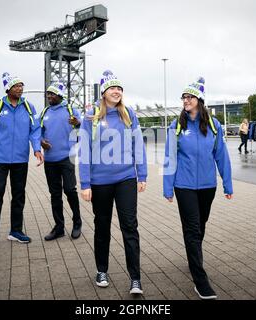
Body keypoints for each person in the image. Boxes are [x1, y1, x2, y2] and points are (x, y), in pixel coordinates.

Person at [163, 77, 233, 299]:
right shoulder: (177, 126)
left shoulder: (213, 125)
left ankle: (193, 256)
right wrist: (168, 187)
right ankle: (200, 280)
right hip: (184, 186)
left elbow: (221, 155)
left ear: (199, 101)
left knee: (200, 227)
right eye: (184, 97)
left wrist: (227, 183)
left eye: (190, 97)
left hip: (207, 186)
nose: (186, 100)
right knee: (192, 229)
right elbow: (169, 157)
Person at [78, 70, 147, 295]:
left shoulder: (129, 114)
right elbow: (84, 151)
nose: (116, 91)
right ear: (104, 93)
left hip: (126, 178)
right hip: (100, 182)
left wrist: (142, 174)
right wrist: (85, 183)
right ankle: (102, 270)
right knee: (102, 226)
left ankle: (135, 278)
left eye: (119, 88)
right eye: (112, 88)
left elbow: (139, 146)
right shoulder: (91, 116)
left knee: (130, 227)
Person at [0, 72, 44, 250]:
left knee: (18, 196)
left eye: (22, 85)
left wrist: (37, 148)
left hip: (20, 160)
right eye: (16, 86)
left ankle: (15, 231)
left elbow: (35, 129)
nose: (20, 89)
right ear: (8, 89)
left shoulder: (29, 107)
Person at [41, 81, 83, 241]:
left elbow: (84, 130)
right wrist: (40, 142)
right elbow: (38, 132)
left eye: (52, 94)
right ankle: (59, 227)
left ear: (60, 95)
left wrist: (78, 123)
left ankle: (77, 222)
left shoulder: (71, 110)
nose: (49, 97)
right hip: (50, 159)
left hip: (67, 157)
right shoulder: (45, 112)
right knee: (55, 194)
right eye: (48, 94)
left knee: (70, 190)